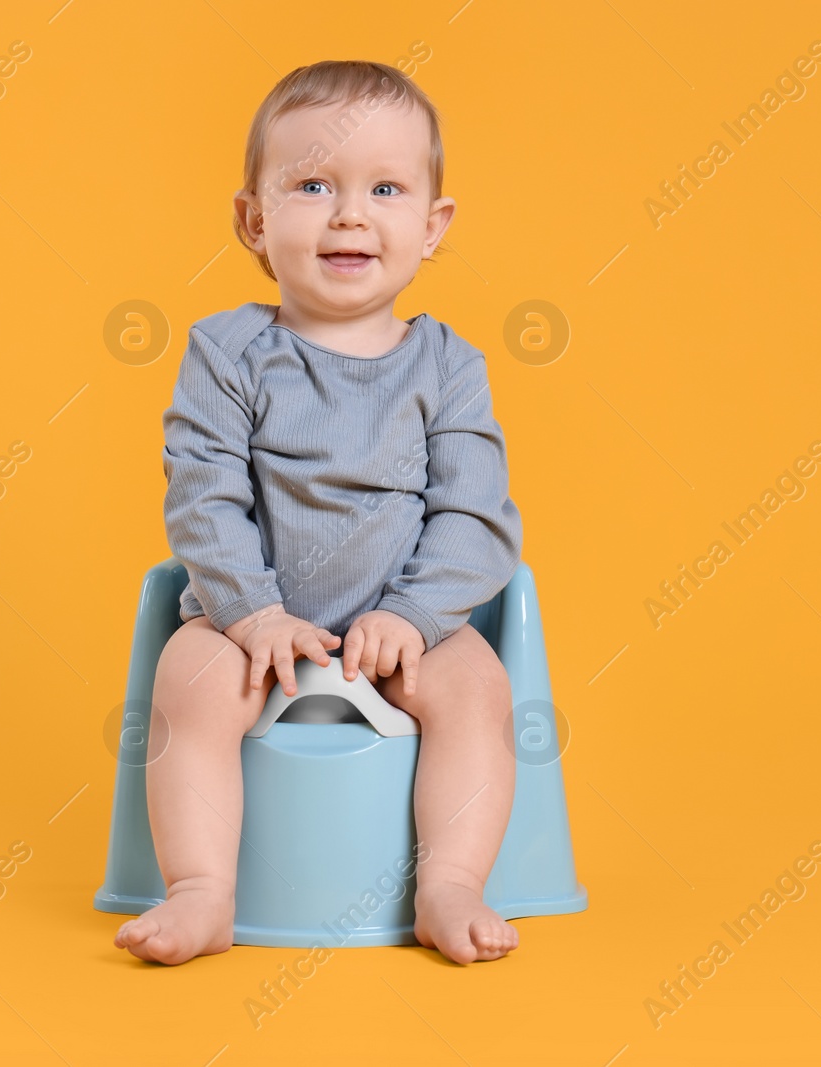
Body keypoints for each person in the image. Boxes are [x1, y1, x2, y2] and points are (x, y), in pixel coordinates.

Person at [114, 60, 523, 966]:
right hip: (250, 619)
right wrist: (251, 611)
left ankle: (450, 881)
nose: (349, 212)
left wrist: (412, 616)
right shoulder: (229, 352)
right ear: (254, 220)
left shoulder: (449, 367)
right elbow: (204, 496)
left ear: (431, 226)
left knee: (478, 689)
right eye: (312, 185)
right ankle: (202, 890)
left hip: (410, 627)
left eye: (385, 187)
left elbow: (475, 517)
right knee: (189, 679)